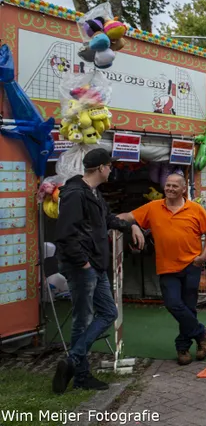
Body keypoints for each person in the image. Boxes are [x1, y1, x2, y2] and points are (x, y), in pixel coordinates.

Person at [52, 149, 137, 393]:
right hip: (82, 266)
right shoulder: (75, 193)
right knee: (82, 319)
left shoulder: (93, 193)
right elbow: (66, 234)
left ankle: (73, 361)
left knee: (108, 312)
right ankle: (81, 376)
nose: (111, 170)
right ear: (101, 168)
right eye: (109, 166)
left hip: (95, 265)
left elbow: (107, 218)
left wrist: (130, 227)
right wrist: (83, 263)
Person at [124, 172, 206, 366]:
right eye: (168, 185)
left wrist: (204, 256)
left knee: (189, 308)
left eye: (175, 186)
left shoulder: (195, 209)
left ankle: (183, 347)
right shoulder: (153, 208)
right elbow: (129, 216)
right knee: (173, 304)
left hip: (192, 265)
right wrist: (127, 224)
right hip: (167, 268)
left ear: (184, 189)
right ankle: (202, 333)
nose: (170, 189)